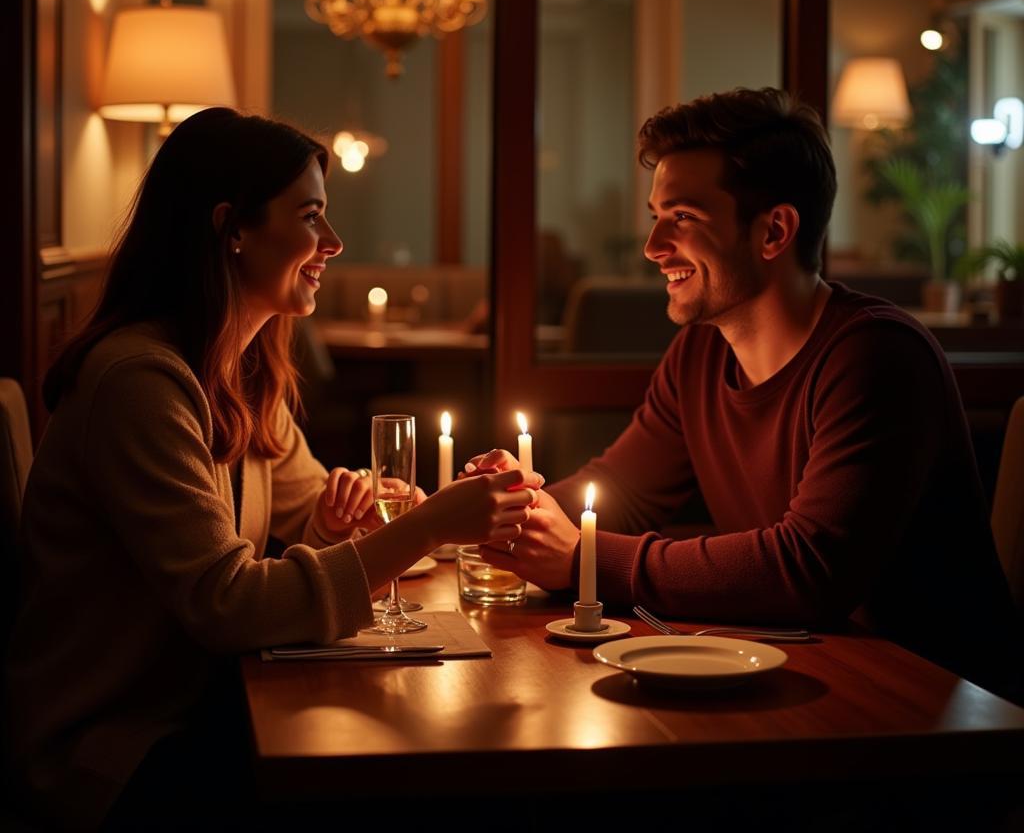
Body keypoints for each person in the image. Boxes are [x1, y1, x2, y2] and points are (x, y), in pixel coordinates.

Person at [5, 108, 539, 830]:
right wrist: (428, 525)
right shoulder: (138, 382)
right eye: (311, 217)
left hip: (205, 704)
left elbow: (305, 512)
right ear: (232, 228)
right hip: (115, 751)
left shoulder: (242, 372)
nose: (333, 243)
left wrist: (336, 521)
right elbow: (228, 605)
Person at [474, 87, 1021, 701]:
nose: (654, 246)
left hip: (932, 712)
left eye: (682, 217)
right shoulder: (702, 352)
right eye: (656, 215)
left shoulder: (877, 356)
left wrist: (585, 561)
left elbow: (810, 570)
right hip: (807, 680)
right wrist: (502, 505)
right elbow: (622, 491)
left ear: (774, 231)